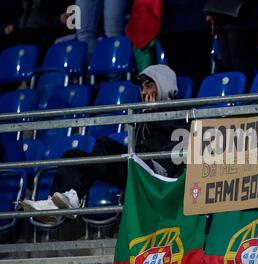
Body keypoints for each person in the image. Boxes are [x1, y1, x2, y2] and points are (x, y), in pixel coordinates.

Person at [22, 65, 181, 219]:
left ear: (163, 86)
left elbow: (175, 150)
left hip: (156, 177)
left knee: (104, 144)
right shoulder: (142, 114)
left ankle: (75, 195)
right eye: (142, 88)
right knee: (71, 156)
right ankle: (54, 208)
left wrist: (152, 115)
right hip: (137, 170)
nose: (144, 92)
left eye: (149, 86)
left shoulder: (179, 112)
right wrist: (147, 115)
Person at [204, 0, 258, 83]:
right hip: (221, 15)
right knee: (228, 67)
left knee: (240, 67)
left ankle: (245, 92)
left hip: (245, 16)